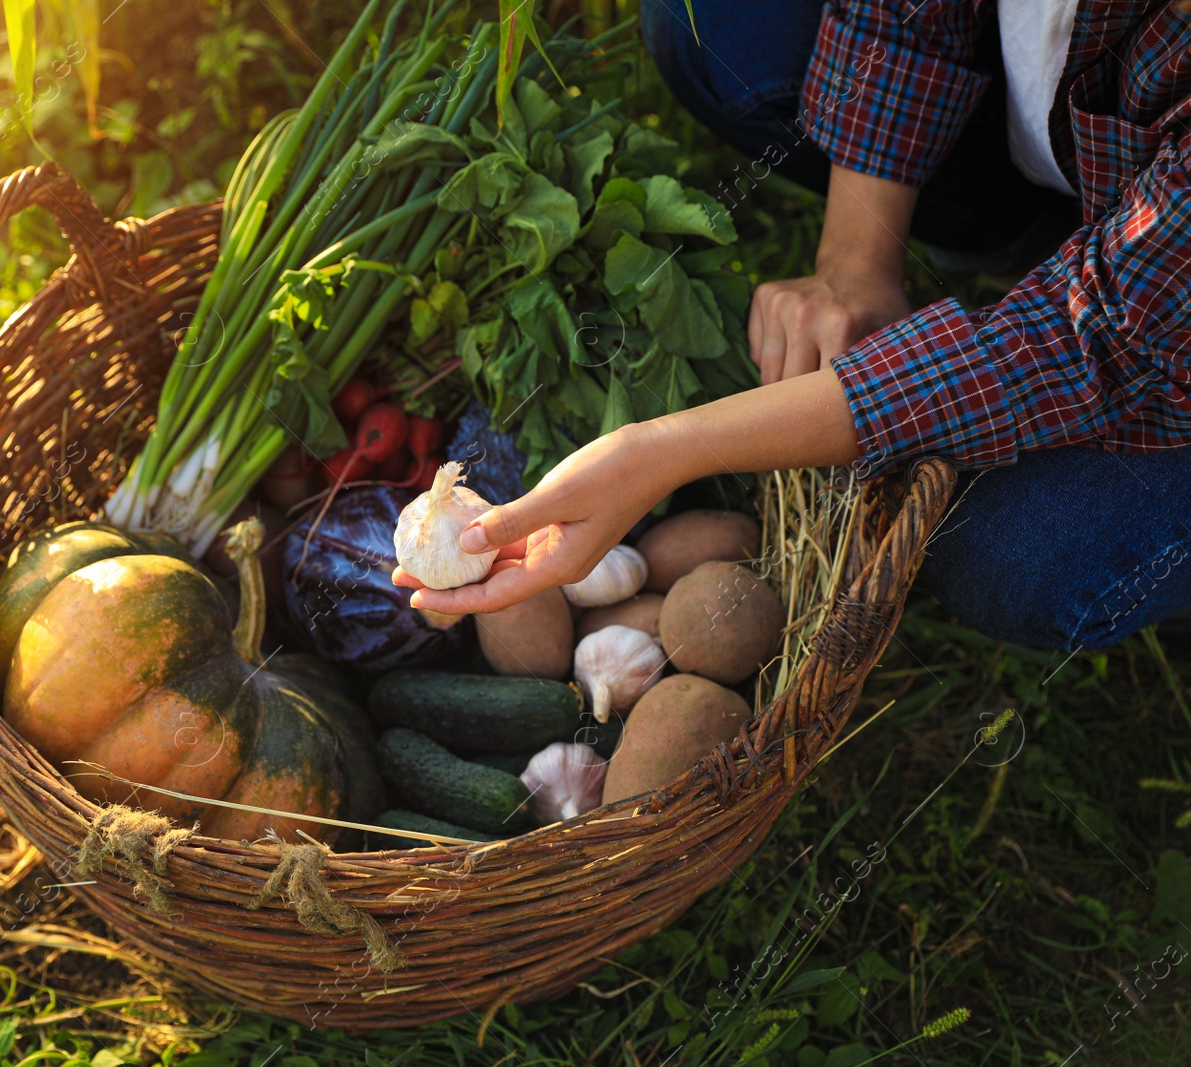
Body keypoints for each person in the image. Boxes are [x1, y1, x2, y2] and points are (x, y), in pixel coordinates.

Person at [396, 0, 1191, 651]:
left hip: (1158, 309)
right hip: (1084, 160)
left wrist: (659, 449)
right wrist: (855, 259)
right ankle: (1027, 235)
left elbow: (1082, 341)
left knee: (1014, 553)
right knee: (712, 23)